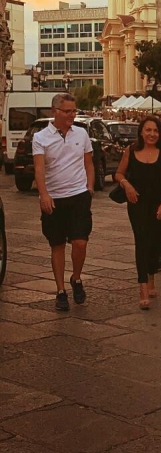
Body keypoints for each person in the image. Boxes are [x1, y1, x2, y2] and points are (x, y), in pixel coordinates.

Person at [33, 93, 95, 311]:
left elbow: (89, 163)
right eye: (67, 111)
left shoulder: (82, 133)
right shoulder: (41, 138)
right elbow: (39, 169)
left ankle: (76, 278)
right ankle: (60, 291)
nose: (72, 115)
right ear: (55, 112)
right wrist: (44, 195)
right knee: (57, 244)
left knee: (80, 242)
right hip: (55, 198)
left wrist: (90, 188)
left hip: (78, 195)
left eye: (73, 111)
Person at [114, 116, 161, 309]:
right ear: (141, 131)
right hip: (137, 203)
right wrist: (127, 186)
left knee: (156, 243)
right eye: (148, 130)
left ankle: (151, 277)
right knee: (141, 242)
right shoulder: (131, 151)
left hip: (160, 204)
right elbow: (118, 173)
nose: (152, 134)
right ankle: (142, 287)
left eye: (155, 130)